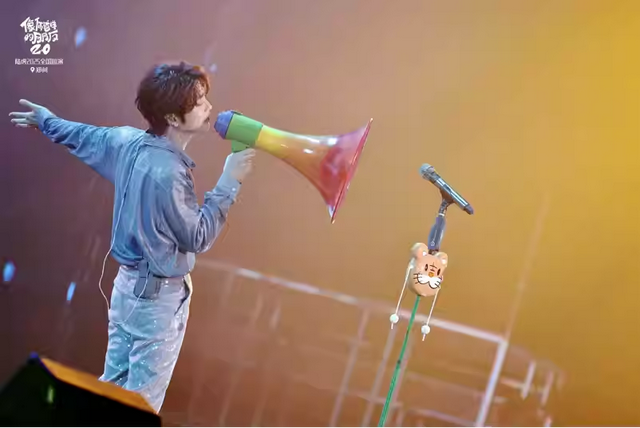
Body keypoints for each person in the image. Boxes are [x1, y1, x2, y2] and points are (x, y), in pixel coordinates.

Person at [8, 61, 255, 412]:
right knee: (138, 407)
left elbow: (82, 135)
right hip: (157, 301)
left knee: (109, 395)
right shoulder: (169, 174)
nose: (208, 107)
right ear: (172, 117)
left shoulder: (127, 141)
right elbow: (197, 236)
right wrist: (230, 180)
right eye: (199, 101)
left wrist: (47, 120)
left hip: (126, 291)